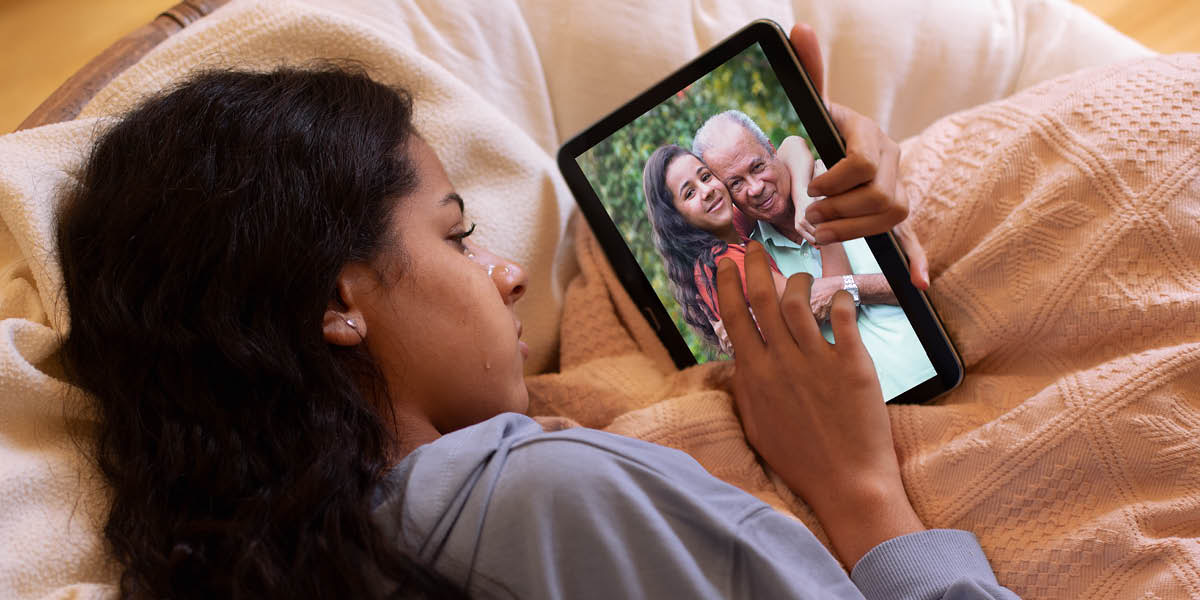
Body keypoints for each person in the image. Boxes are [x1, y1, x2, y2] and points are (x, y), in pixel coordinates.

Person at [54, 30, 1019, 600]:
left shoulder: (320, 560)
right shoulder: (541, 496)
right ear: (335, 304)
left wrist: (817, 165)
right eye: (457, 234)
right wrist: (859, 493)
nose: (508, 273)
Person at [694, 109, 938, 399]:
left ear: (772, 150)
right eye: (736, 183)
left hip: (939, 372)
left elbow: (934, 276)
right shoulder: (752, 263)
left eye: (758, 167)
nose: (755, 188)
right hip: (876, 421)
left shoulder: (842, 183)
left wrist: (847, 287)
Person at [642, 144, 852, 355]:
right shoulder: (725, 262)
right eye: (689, 193)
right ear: (677, 220)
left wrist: (802, 196)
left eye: (705, 177)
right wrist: (820, 213)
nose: (706, 191)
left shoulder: (724, 236)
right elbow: (832, 302)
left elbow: (791, 147)